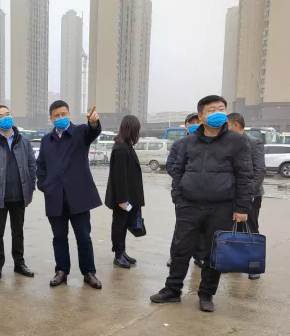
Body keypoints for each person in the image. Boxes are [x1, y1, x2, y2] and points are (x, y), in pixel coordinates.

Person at [150, 95, 253, 312]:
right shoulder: (189, 142)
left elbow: (245, 175)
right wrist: (178, 199)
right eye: (212, 110)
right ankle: (172, 290)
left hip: (222, 207)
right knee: (180, 249)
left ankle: (206, 293)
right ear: (201, 116)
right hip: (189, 206)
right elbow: (177, 171)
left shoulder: (236, 140)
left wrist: (242, 208)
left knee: (213, 252)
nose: (218, 113)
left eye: (221, 109)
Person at [36, 100, 103, 289]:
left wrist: (94, 123)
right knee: (59, 237)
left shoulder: (80, 132)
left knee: (84, 236)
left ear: (69, 114)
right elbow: (40, 165)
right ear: (51, 119)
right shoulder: (46, 140)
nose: (60, 118)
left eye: (63, 114)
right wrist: (44, 185)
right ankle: (61, 271)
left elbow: (93, 132)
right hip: (55, 197)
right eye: (56, 116)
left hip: (78, 196)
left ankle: (89, 272)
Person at [0, 105, 37, 280]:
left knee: (18, 231)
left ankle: (19, 263)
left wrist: (30, 186)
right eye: (0, 116)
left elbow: (32, 165)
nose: (5, 117)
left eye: (7, 114)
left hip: (19, 194)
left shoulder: (24, 141)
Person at [227, 112, 266, 280]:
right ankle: (236, 262)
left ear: (236, 124)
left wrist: (248, 194)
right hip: (231, 195)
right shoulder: (228, 142)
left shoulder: (254, 142)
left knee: (251, 229)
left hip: (251, 196)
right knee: (234, 231)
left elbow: (259, 171)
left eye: (227, 126)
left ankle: (253, 265)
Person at [164, 113, 205, 269]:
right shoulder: (179, 144)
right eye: (191, 122)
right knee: (182, 228)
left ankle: (200, 256)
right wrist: (185, 179)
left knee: (202, 227)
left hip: (204, 194)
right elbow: (170, 166)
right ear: (186, 125)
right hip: (184, 193)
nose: (194, 125)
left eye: (197, 122)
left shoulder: (208, 143)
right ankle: (175, 256)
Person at [104, 115, 145, 269]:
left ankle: (122, 251)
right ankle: (118, 254)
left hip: (128, 197)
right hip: (122, 199)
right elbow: (119, 176)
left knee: (124, 223)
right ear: (131, 129)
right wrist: (122, 200)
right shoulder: (121, 148)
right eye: (136, 129)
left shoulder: (126, 145)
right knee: (119, 224)